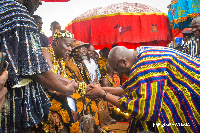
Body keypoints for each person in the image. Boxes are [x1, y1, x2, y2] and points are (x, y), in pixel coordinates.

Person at [86, 46, 200, 133]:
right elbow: (127, 88)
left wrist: (103, 94)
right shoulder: (142, 52)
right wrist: (100, 89)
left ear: (124, 62)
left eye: (117, 69)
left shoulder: (145, 65)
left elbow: (143, 109)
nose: (117, 73)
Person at [0, 1, 75, 132]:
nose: (40, 2)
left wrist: (70, 83)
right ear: (56, 43)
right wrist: (66, 89)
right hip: (12, 112)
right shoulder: (18, 15)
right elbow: (37, 71)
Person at [41, 30, 81, 133]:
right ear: (57, 43)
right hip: (42, 98)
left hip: (56, 96)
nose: (70, 49)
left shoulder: (60, 60)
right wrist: (78, 85)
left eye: (71, 46)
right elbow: (51, 76)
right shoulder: (45, 51)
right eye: (68, 45)